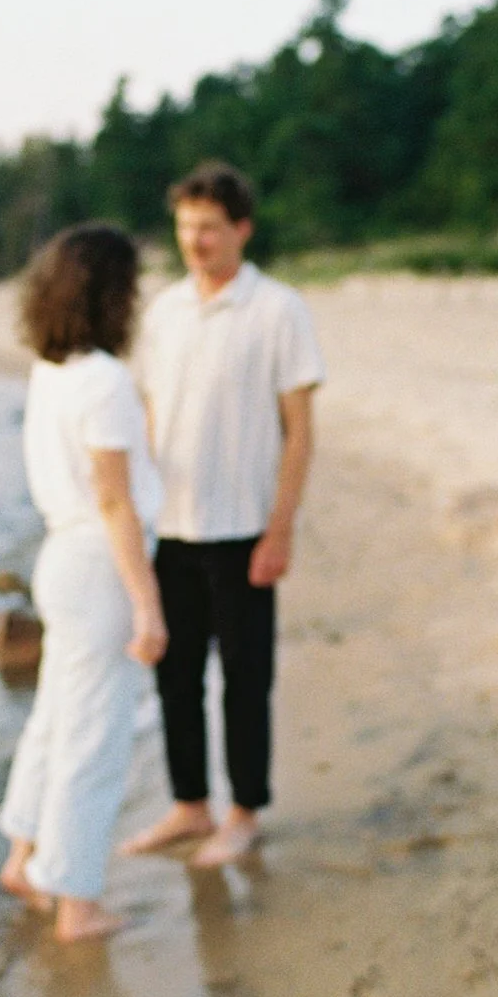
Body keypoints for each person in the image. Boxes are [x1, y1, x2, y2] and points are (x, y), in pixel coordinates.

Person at [116, 161, 324, 868]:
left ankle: (244, 813)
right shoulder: (164, 311)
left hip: (244, 530)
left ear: (242, 228)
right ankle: (188, 806)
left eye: (208, 227)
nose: (195, 241)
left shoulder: (278, 309)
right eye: (184, 228)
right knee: (174, 677)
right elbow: (147, 413)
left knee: (244, 678)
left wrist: (281, 527)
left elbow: (299, 429)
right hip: (169, 528)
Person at [0, 222, 167, 943]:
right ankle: (77, 903)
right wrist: (148, 606)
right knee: (92, 739)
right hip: (99, 566)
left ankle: (24, 855)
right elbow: (114, 499)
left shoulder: (51, 369)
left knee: (55, 720)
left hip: (60, 559)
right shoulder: (103, 379)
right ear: (113, 294)